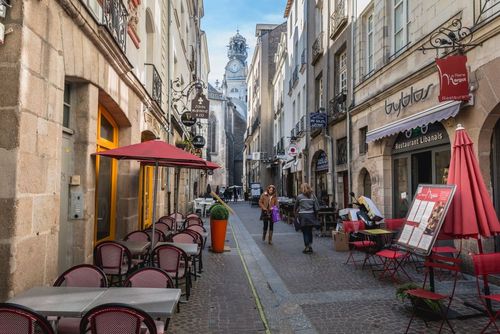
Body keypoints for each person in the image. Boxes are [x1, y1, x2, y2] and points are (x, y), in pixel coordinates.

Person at [294, 183, 320, 254]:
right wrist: (316, 215)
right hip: (311, 215)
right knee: (310, 231)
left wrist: (295, 213)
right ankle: (310, 245)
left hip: (303, 216)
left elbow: (295, 206)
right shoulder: (313, 196)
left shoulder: (299, 197)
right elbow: (317, 207)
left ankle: (307, 247)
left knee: (305, 232)